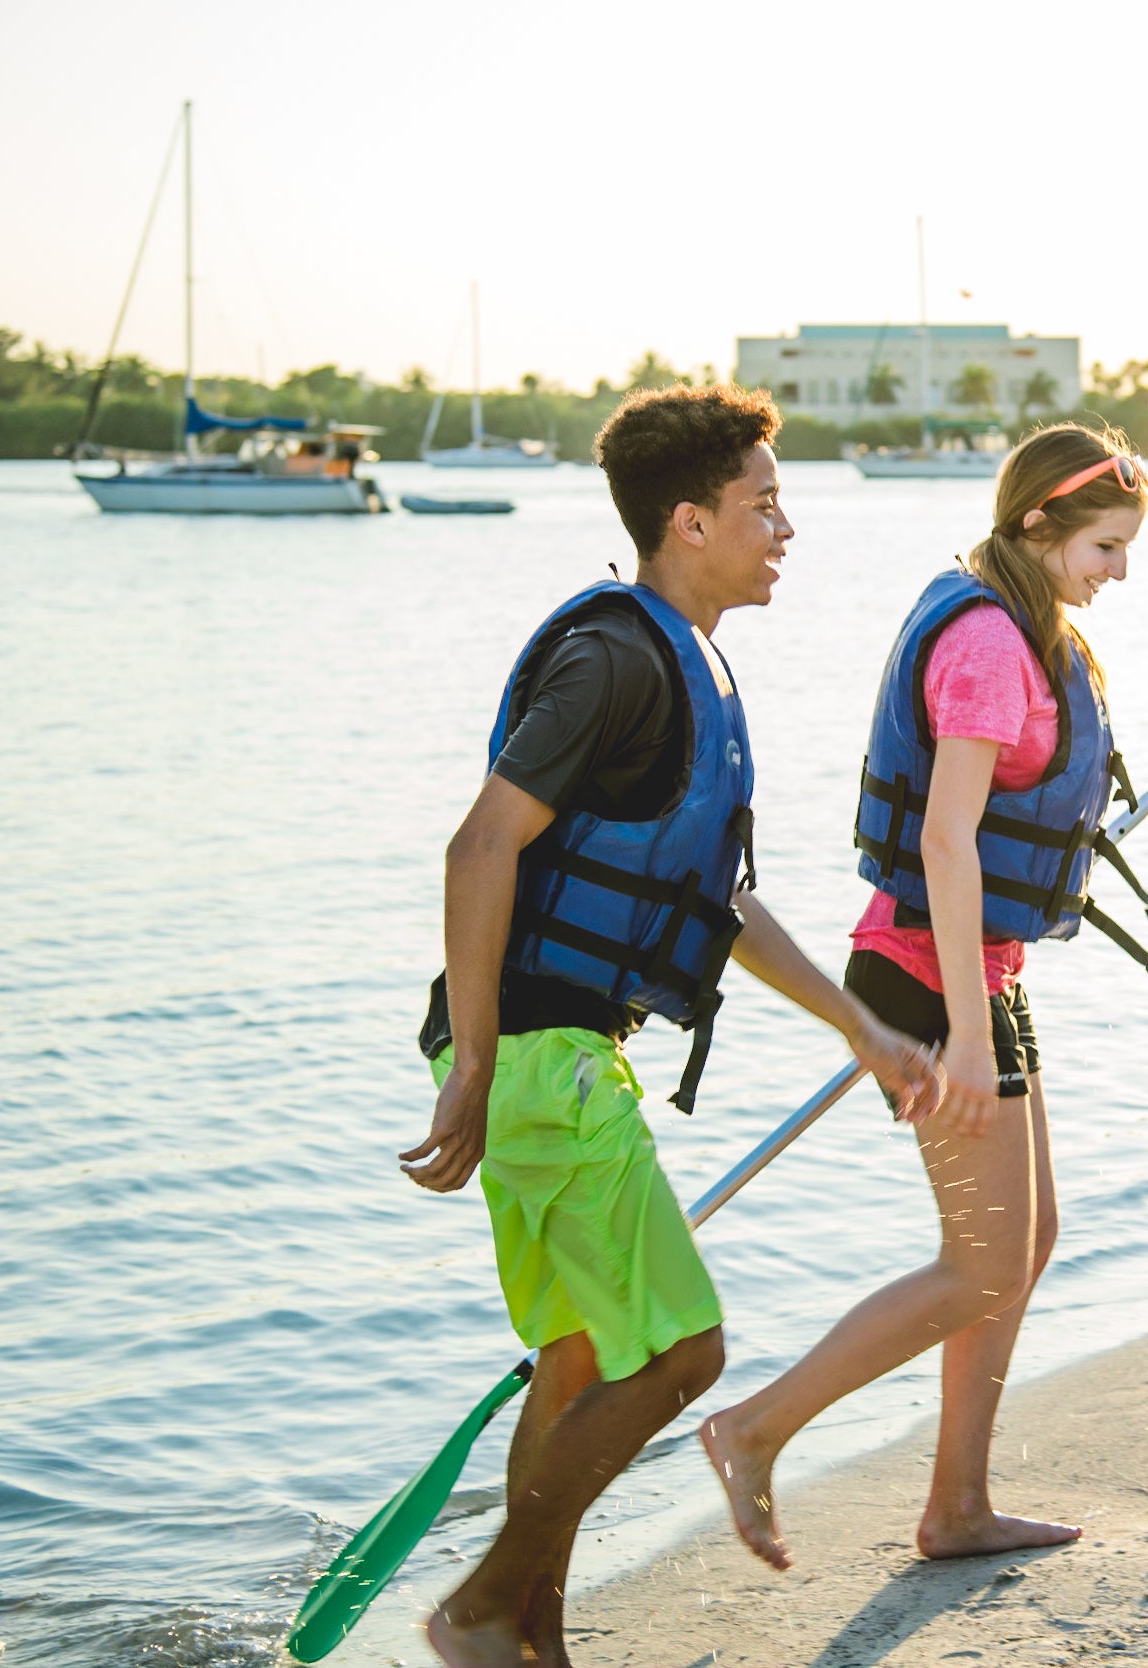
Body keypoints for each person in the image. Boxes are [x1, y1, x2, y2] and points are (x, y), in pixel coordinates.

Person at [399, 383, 935, 1667]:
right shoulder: (617, 659)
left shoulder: (685, 662)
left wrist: (858, 1024)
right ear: (688, 521)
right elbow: (481, 846)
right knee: (687, 1349)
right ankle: (480, 1607)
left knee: (579, 1359)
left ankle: (533, 1642)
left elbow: (712, 899)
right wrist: (474, 1063)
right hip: (540, 1055)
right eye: (763, 503)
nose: (786, 526)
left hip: (559, 1055)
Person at [698, 423, 1148, 1570]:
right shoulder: (989, 643)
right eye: (1104, 545)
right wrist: (956, 1027)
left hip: (975, 972)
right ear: (1039, 524)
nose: (1119, 571)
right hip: (922, 975)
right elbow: (947, 844)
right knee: (983, 1257)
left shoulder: (1024, 625)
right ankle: (753, 1427)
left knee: (1026, 1237)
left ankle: (957, 1503)